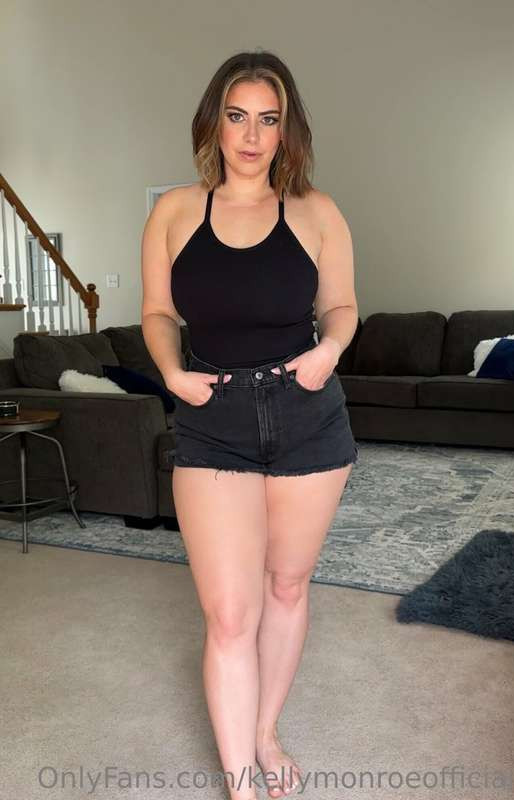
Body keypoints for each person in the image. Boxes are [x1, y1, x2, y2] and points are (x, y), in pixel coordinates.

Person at [141, 50, 359, 800]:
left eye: (269, 119)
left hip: (307, 412)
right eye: (237, 116)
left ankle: (265, 734)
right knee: (230, 615)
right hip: (214, 418)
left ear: (286, 129)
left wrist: (329, 351)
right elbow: (158, 311)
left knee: (287, 588)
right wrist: (171, 373)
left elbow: (341, 306)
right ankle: (240, 784)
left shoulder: (317, 211)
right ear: (214, 121)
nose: (252, 135)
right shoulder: (175, 211)